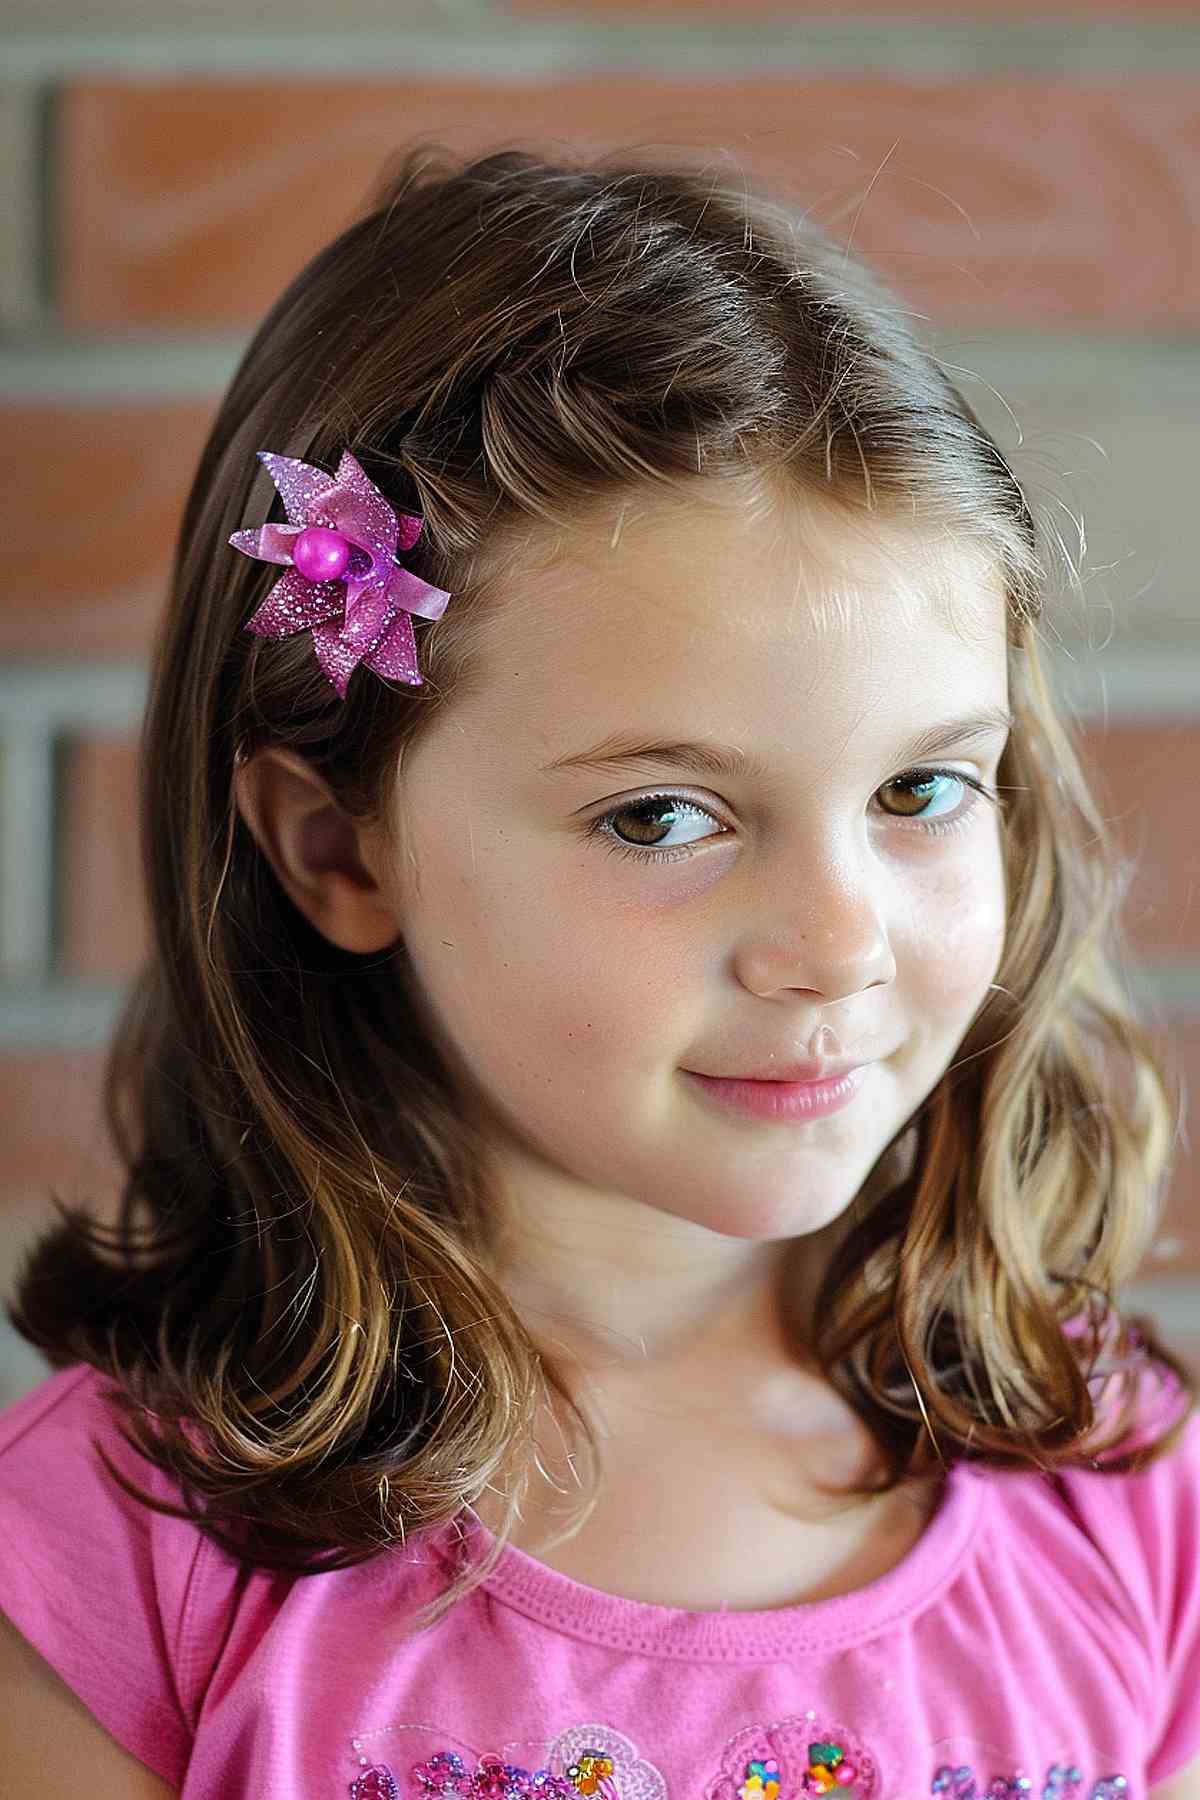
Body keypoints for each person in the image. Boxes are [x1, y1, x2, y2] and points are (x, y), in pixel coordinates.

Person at [0, 141, 1197, 1800]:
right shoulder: (108, 1567)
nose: (838, 942)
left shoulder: (1134, 1498)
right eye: (664, 816)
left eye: (919, 790)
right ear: (340, 851)